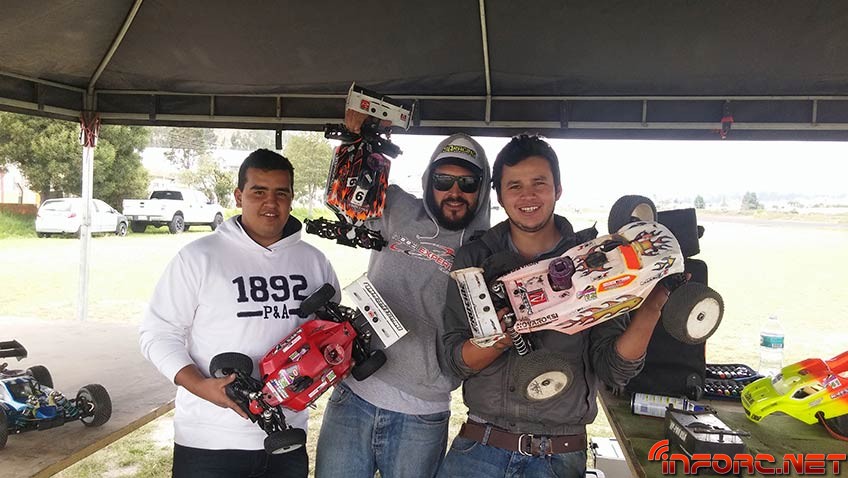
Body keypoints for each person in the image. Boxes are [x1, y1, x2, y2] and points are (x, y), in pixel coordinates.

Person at [438, 134, 671, 478]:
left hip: (558, 456)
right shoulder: (475, 259)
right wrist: (498, 339)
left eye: (539, 183)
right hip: (479, 445)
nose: (527, 196)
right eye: (514, 186)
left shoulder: (594, 261)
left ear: (558, 189)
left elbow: (614, 369)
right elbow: (454, 361)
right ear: (499, 196)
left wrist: (651, 308)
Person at [139, 149, 340, 478]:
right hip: (209, 442)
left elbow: (330, 333)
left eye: (281, 193)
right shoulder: (198, 257)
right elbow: (157, 334)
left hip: (287, 438)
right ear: (238, 196)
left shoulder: (315, 262)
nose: (270, 203)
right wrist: (200, 385)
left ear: (292, 199)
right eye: (258, 191)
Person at [315, 113, 492, 478]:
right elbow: (344, 198)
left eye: (467, 182)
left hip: (421, 416)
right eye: (443, 180)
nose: (454, 192)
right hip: (353, 394)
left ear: (483, 188)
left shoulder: (488, 250)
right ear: (429, 180)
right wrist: (354, 138)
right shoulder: (396, 206)